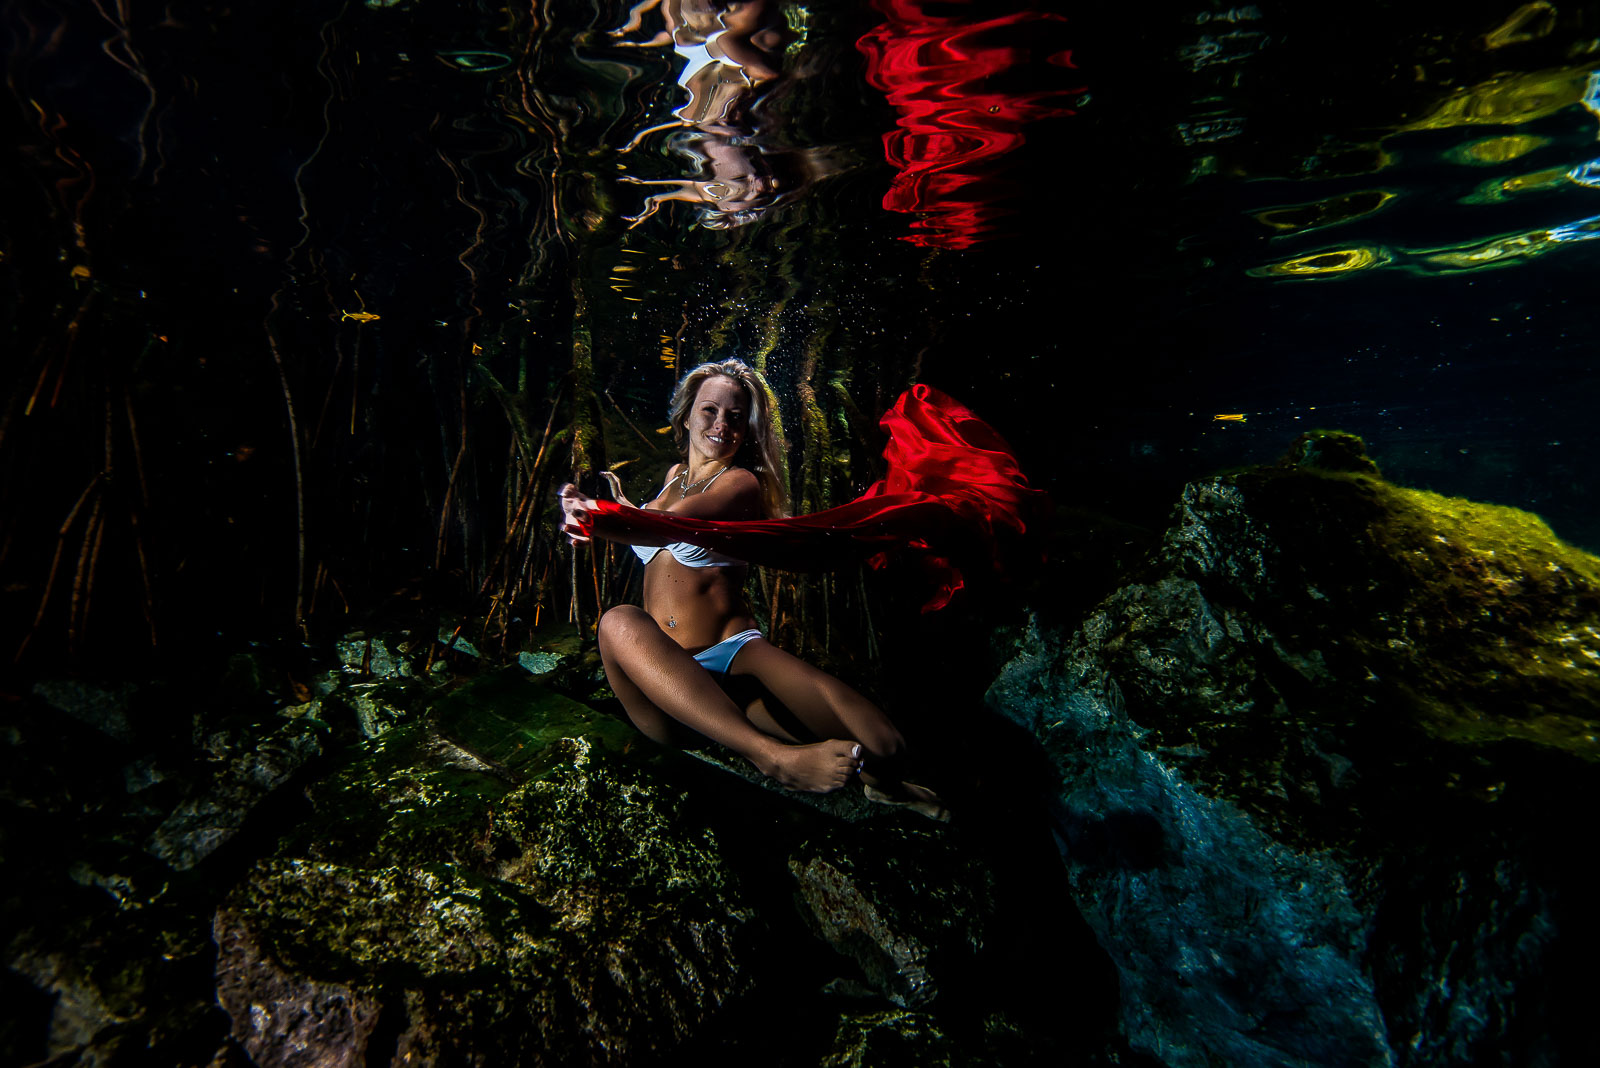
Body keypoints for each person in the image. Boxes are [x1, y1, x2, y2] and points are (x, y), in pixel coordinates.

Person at [559, 359, 944, 814]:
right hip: (664, 683)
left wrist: (599, 517)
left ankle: (883, 786)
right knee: (618, 621)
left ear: (747, 427)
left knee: (885, 745)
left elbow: (668, 527)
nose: (721, 424)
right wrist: (608, 515)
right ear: (685, 416)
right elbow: (654, 523)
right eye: (709, 411)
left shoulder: (741, 482)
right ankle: (772, 757)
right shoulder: (671, 479)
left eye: (736, 416)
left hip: (732, 658)